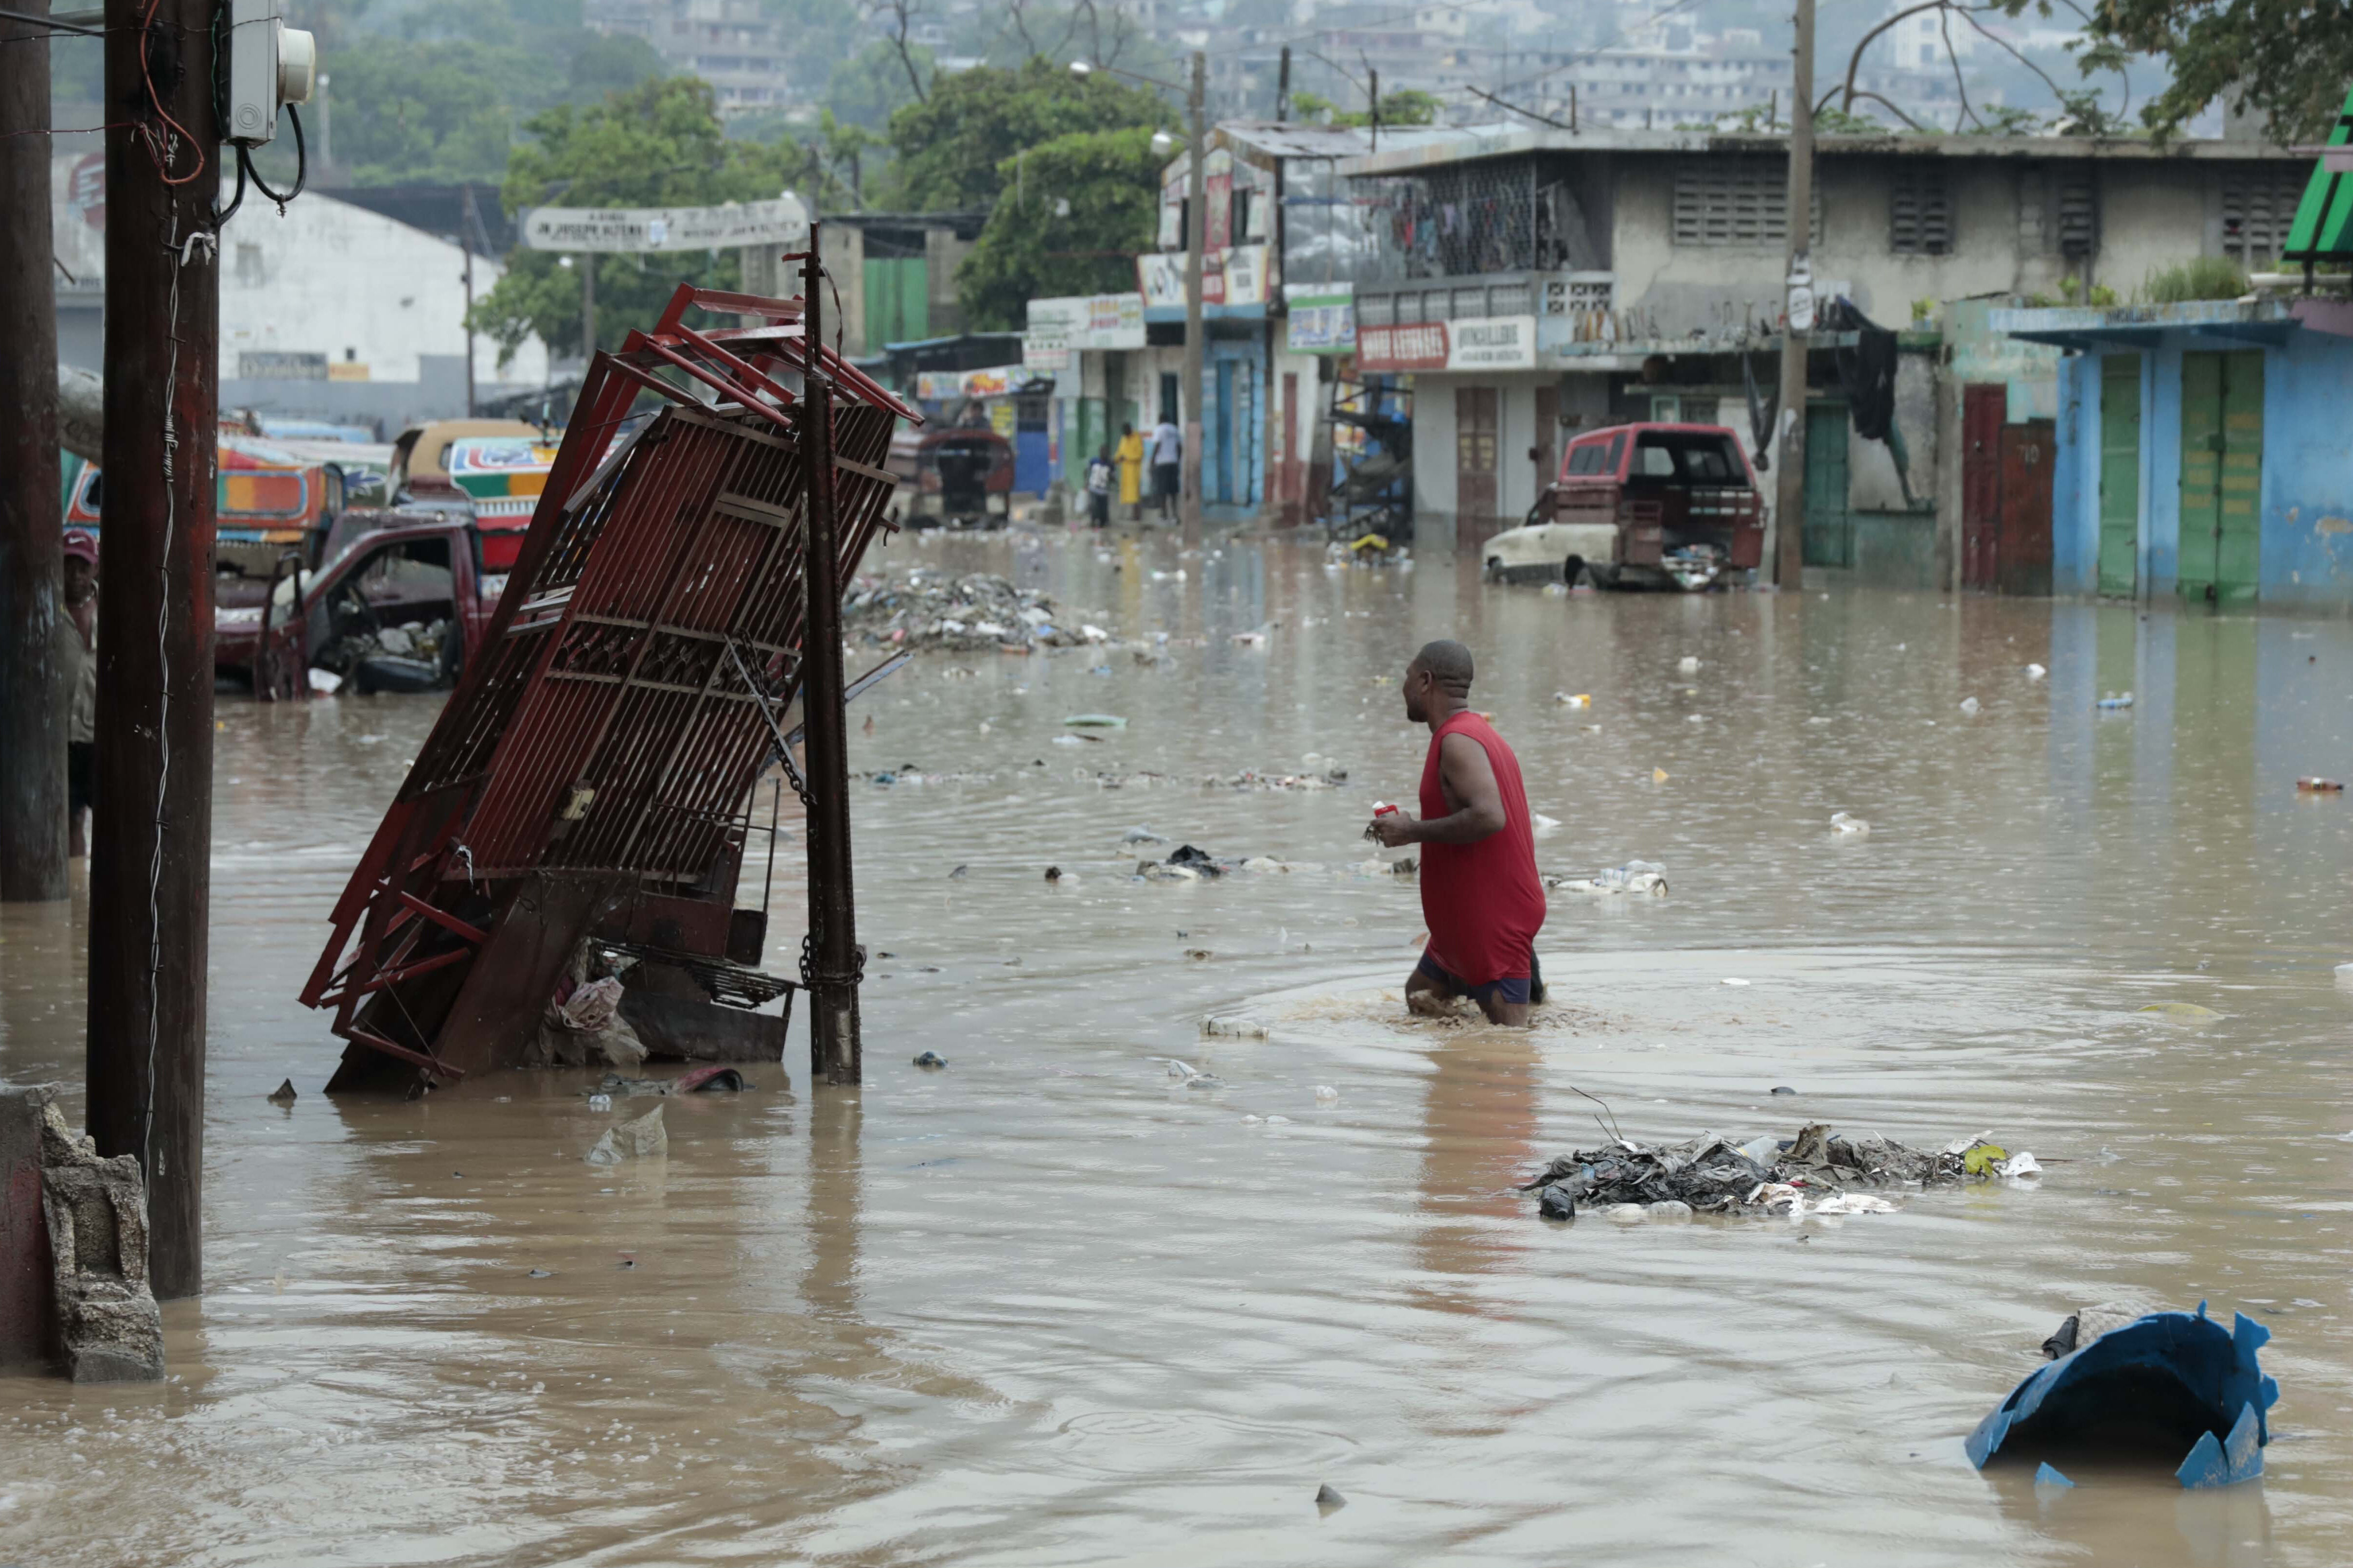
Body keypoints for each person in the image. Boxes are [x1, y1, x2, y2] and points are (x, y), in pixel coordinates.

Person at [1368, 640, 1547, 1026]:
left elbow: (1489, 816)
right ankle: (1454, 1076)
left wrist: (1412, 830)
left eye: (1407, 677)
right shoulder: (1471, 733)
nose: (1403, 686)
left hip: (1491, 919)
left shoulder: (1457, 740)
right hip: (1462, 922)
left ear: (1425, 681)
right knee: (1421, 997)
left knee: (1508, 1050)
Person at [59, 528, 98, 858]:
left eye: (82, 567)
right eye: (69, 566)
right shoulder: (47, 612)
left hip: (99, 736)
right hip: (60, 737)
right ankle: (76, 894)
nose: (75, 575)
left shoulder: (109, 611)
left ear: (95, 570)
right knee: (69, 820)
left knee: (114, 819)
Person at [1149, 413, 1181, 523]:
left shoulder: (1159, 429)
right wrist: (1177, 460)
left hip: (1162, 463)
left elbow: (1157, 445)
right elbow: (1179, 447)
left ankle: (1164, 515)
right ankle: (1175, 515)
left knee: (1162, 491)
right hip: (1173, 463)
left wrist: (1152, 462)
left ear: (1160, 420)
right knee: (1173, 491)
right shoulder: (1175, 430)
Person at [1114, 421, 1145, 521]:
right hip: (1125, 471)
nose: (1126, 434)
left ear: (1130, 430)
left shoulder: (1137, 438)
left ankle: (1137, 516)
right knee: (1126, 495)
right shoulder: (1123, 439)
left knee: (1135, 495)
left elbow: (1140, 455)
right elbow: (1120, 452)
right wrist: (1116, 459)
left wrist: (1127, 458)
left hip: (1134, 471)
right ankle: (1129, 516)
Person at [1084, 445, 1114, 529]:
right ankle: (1093, 522)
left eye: (1106, 452)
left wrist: (1110, 476)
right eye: (1103, 452)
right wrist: (1086, 481)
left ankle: (1103, 524)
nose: (1104, 454)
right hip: (1093, 488)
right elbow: (1086, 470)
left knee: (1103, 509)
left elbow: (1113, 478)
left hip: (1104, 491)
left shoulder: (1110, 464)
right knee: (1094, 506)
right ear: (1100, 452)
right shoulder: (1094, 461)